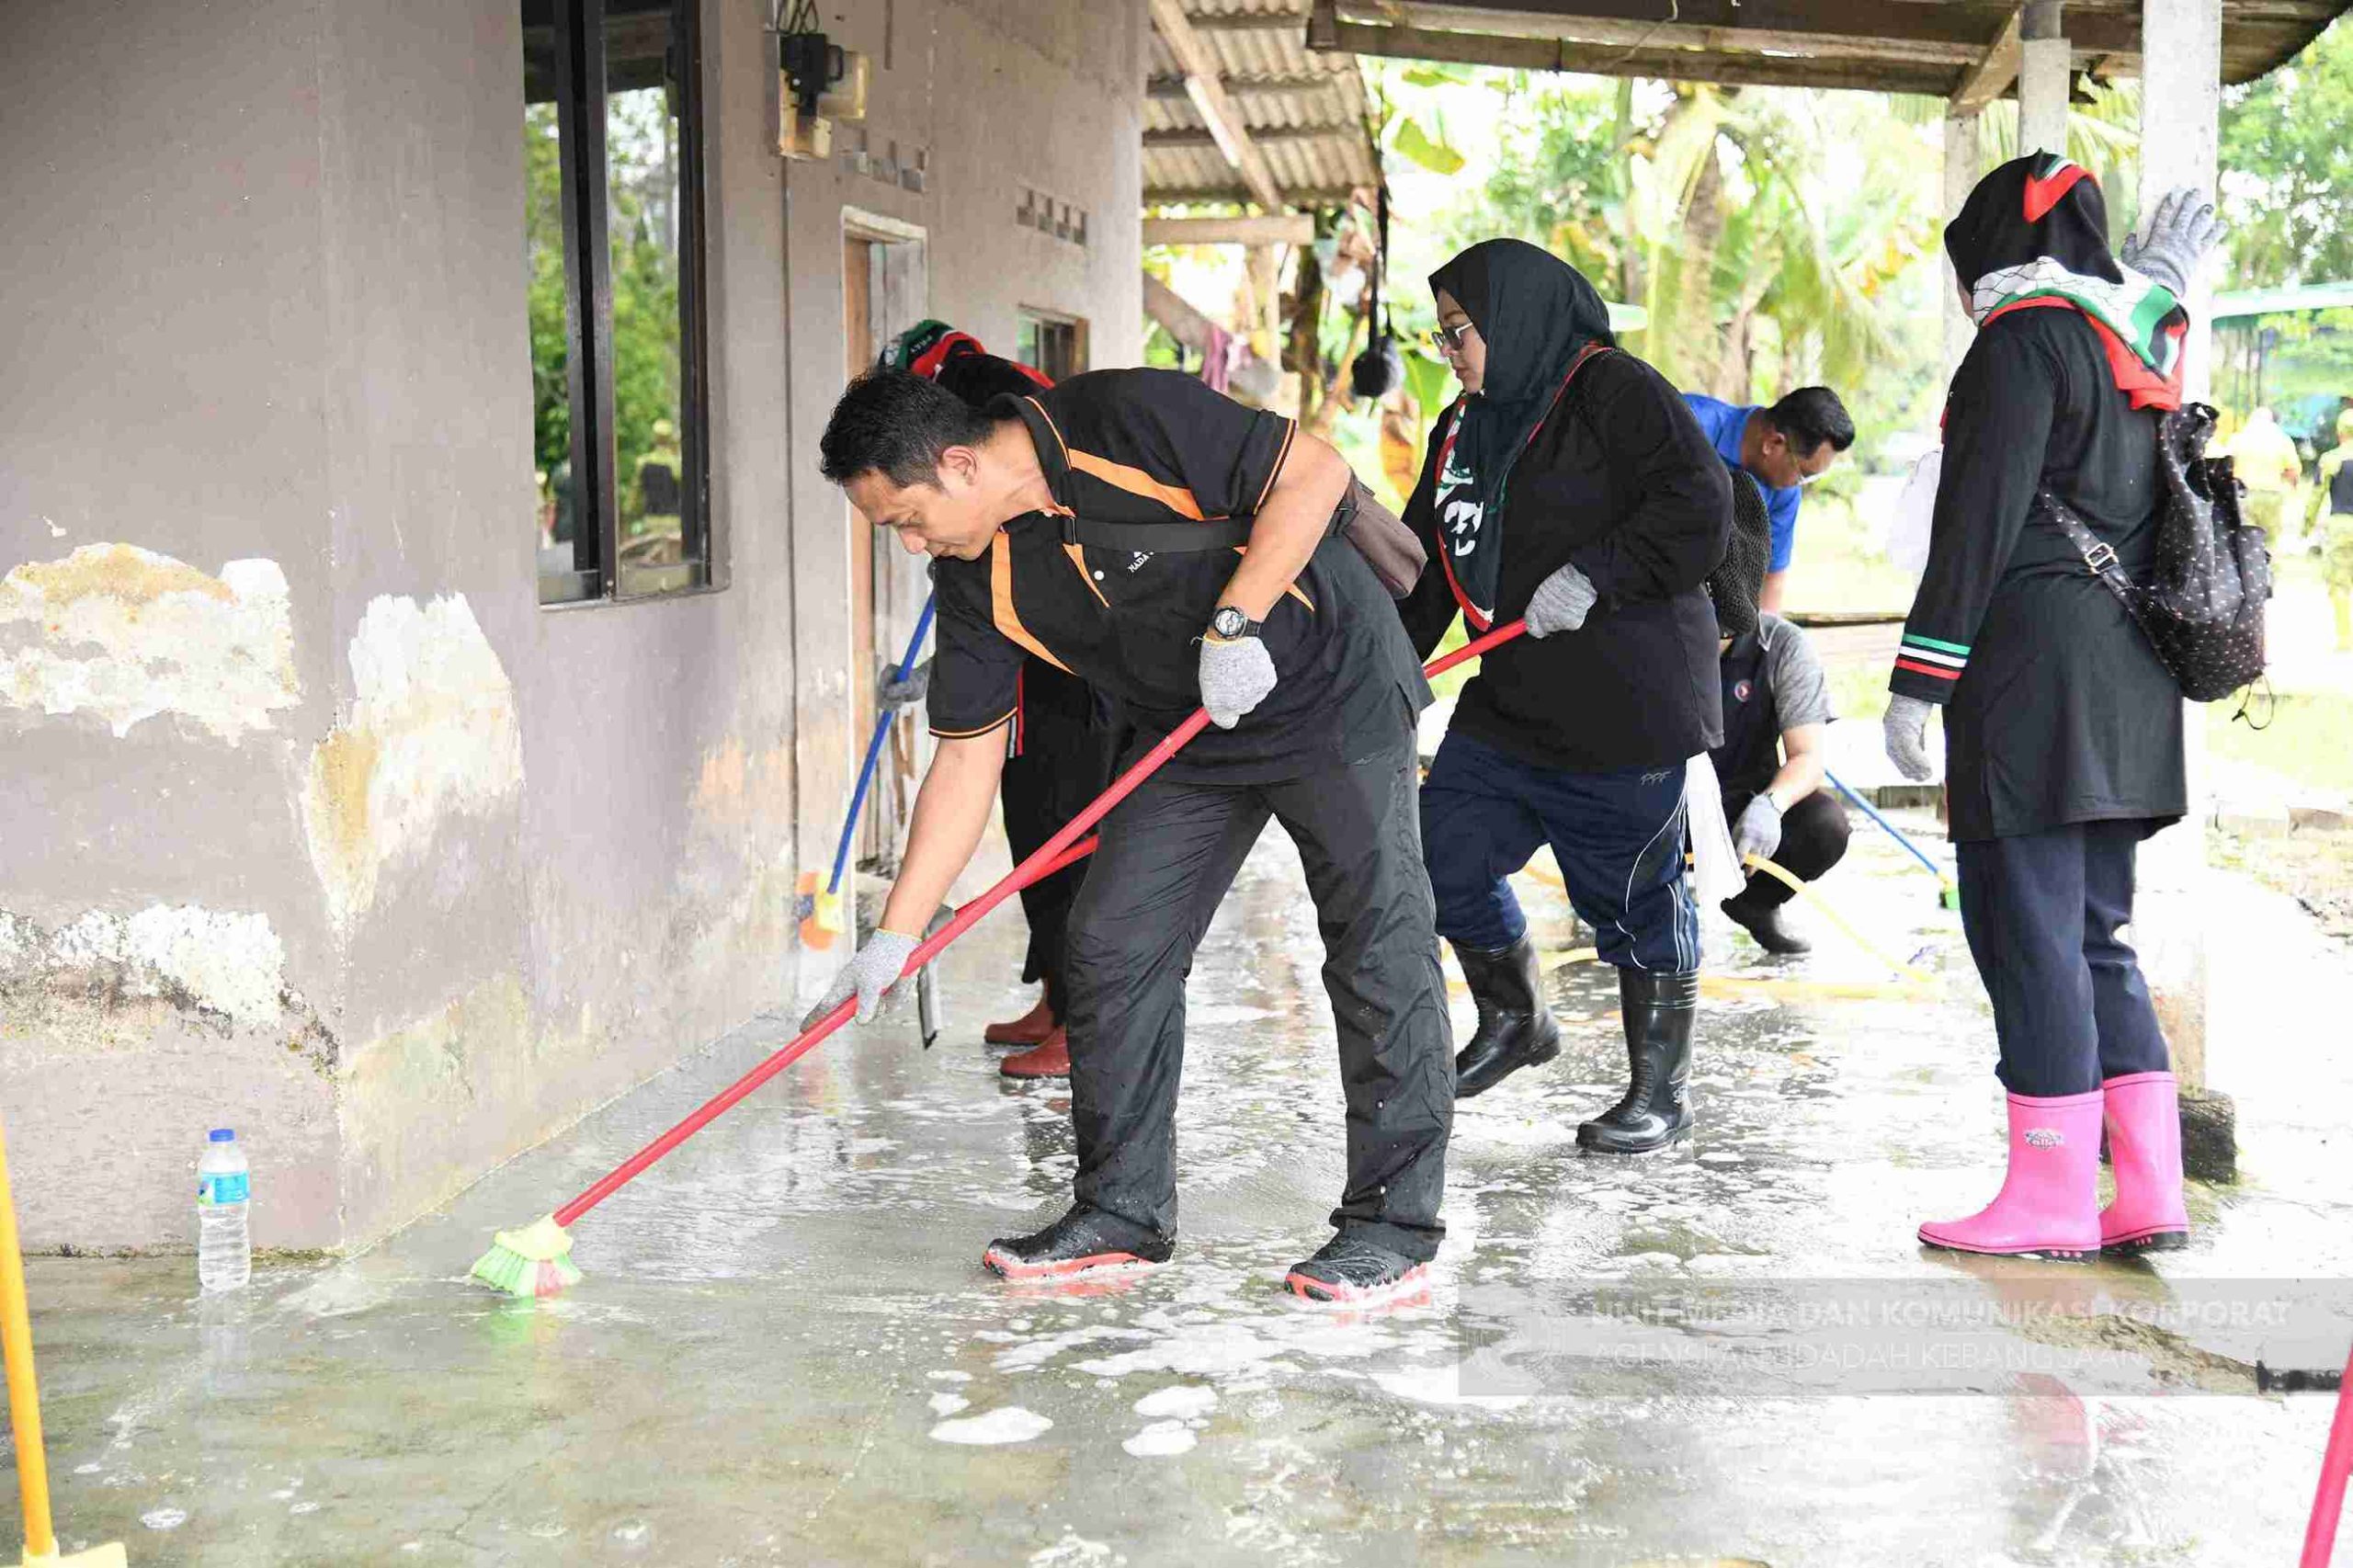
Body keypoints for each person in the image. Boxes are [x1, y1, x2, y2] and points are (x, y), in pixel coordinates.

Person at [811, 363, 1452, 1302]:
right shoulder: (974, 574)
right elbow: (965, 758)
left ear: (957, 463)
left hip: (1332, 691)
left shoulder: (1121, 416)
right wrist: (897, 934)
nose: (909, 543)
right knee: (1111, 940)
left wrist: (1236, 621)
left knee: (1374, 940)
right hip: (1190, 727)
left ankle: (1392, 1226)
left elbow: (1311, 473)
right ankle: (1122, 1207)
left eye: (904, 517)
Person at [1883, 154, 2222, 1259]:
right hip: (2127, 685)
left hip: (2034, 686)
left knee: (2026, 934)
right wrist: (2166, 276)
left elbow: (1973, 526)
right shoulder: (2133, 338)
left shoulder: (2021, 342)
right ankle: (2147, 1189)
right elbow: (2158, 318)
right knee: (2094, 935)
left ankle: (2047, 1196)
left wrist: (1918, 678)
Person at [1400, 238, 1731, 1153]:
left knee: (1635, 900)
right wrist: (1383, 669)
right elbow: (1429, 559)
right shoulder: (1463, 426)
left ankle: (1660, 1094)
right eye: (1442, 337)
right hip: (1511, 705)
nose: (1453, 351)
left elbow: (1700, 502)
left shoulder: (1612, 390)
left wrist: (1597, 570)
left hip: (1627, 705)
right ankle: (1516, 1018)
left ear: (1515, 320)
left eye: (1461, 332)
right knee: (1436, 853)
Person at [880, 321, 1113, 1080]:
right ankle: (1056, 996)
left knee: (1069, 828)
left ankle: (1088, 1022)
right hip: (1009, 660)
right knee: (1032, 823)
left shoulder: (981, 389)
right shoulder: (956, 390)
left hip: (1061, 664)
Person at [1705, 472, 1850, 957]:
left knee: (1824, 826)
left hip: (1743, 798)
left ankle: (1756, 904)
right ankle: (1629, 916)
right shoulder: (1650, 636)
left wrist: (1771, 805)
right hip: (1661, 799)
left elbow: (1807, 756)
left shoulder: (1781, 645)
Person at [1681, 386, 1856, 613]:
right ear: (1773, 443)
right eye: (1804, 475)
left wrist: (1758, 642)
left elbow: (1772, 580)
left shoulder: (1784, 493)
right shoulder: (1686, 425)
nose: (1799, 484)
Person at [2308, 406, 2353, 652]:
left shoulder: (2331, 459)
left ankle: (2346, 637)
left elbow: (2316, 495)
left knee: (2340, 584)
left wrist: (2306, 525)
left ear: (2340, 432)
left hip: (2342, 526)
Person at [2224, 406, 2302, 544]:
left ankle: (2248, 563)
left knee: (2246, 538)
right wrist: (2294, 488)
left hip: (2244, 495)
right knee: (2269, 539)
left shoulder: (2238, 438)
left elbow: (2226, 467)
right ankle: (2267, 563)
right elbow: (2292, 470)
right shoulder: (2282, 439)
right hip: (2271, 496)